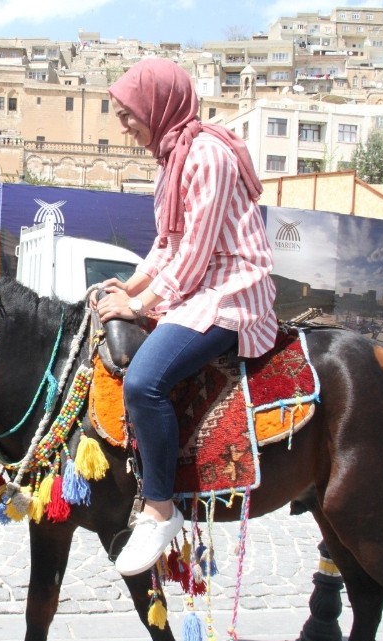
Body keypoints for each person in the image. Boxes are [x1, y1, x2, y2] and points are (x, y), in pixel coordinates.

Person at [93, 58, 278, 577]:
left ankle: (159, 506)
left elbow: (194, 255)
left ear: (159, 105)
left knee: (145, 381)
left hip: (229, 290)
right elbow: (165, 243)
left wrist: (139, 306)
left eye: (129, 113)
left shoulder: (207, 156)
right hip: (198, 286)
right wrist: (127, 284)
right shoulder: (172, 157)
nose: (124, 125)